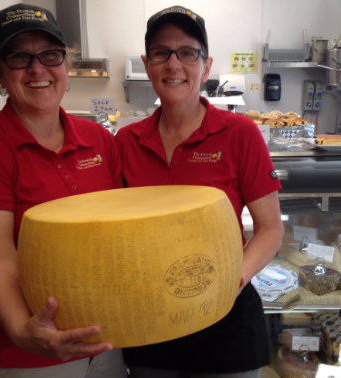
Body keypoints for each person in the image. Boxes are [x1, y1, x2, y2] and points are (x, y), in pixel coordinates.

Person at [0, 4, 127, 377]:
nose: (37, 68)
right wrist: (21, 329)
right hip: (26, 352)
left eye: (50, 54)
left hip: (104, 338)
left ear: (65, 65)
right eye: (19, 57)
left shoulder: (98, 140)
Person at [115, 5, 284, 377]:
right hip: (150, 319)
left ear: (206, 66)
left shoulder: (240, 133)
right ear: (147, 64)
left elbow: (271, 229)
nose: (174, 64)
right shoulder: (126, 140)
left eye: (188, 53)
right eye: (161, 53)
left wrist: (231, 280)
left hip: (226, 317)